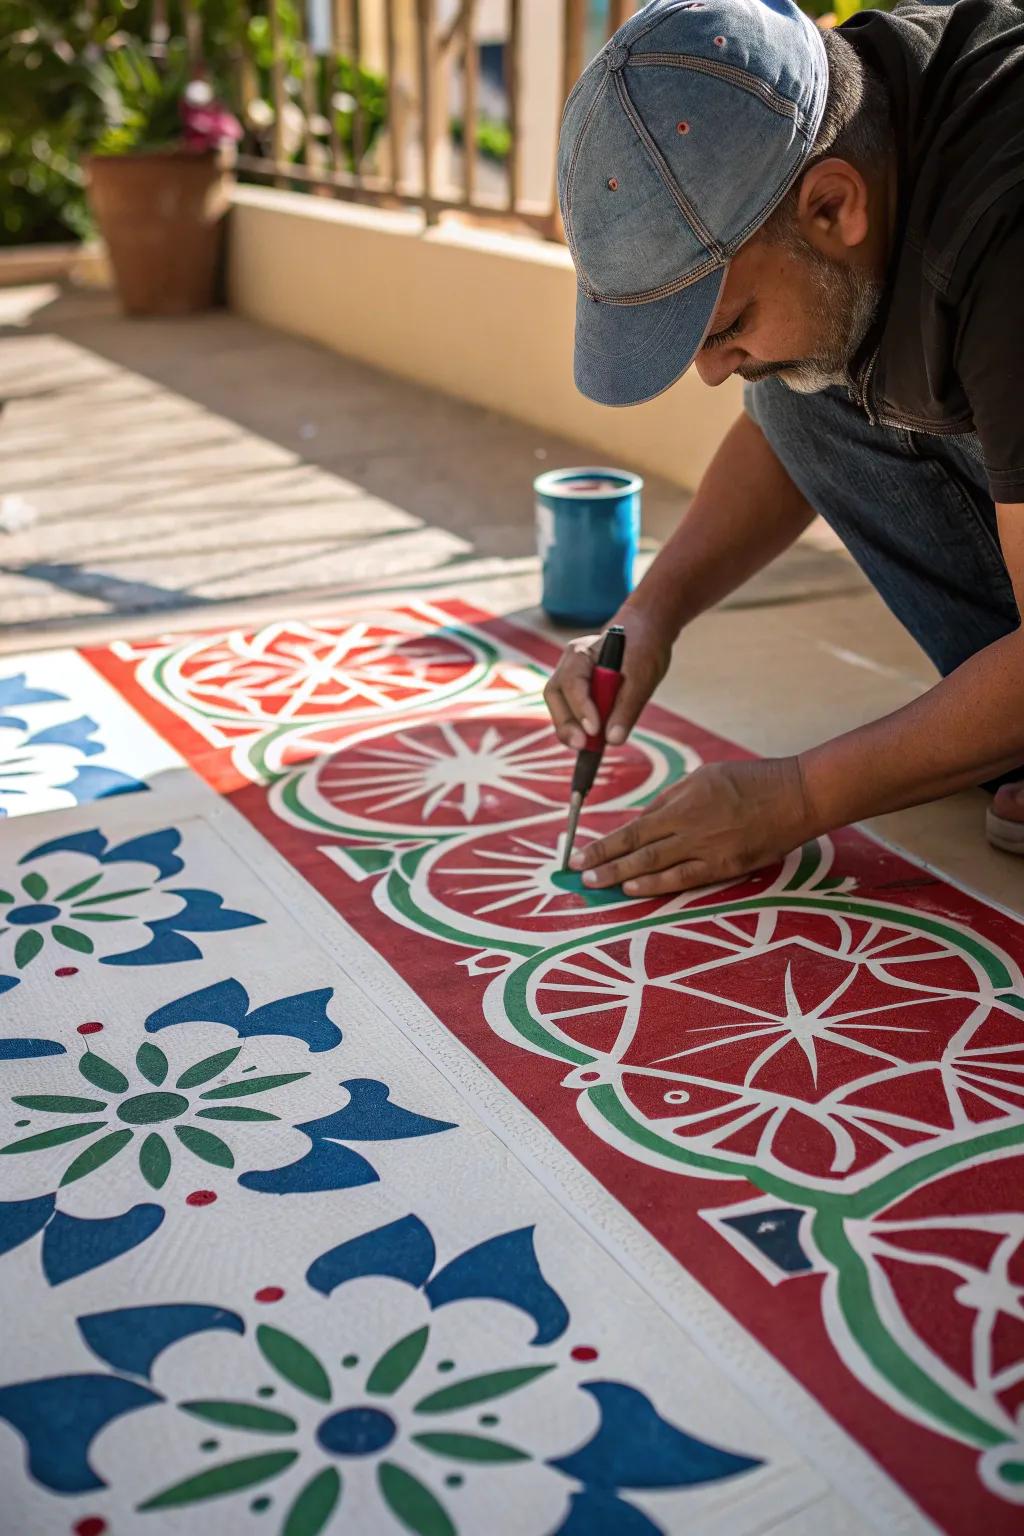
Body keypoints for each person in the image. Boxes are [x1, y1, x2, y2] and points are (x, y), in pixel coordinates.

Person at [544, 0, 1024, 896]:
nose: (713, 375)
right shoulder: (871, 119)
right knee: (798, 379)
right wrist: (649, 614)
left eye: (722, 328)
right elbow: (787, 432)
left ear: (833, 204)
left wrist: (797, 796)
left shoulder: (1006, 243)